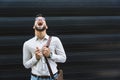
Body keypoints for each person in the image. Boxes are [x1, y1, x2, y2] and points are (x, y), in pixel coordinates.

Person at [23, 13, 67, 80]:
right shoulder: (27, 43)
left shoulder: (56, 40)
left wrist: (50, 55)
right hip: (35, 78)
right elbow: (26, 65)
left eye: (43, 19)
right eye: (37, 20)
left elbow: (63, 59)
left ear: (46, 26)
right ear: (34, 26)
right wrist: (36, 58)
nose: (40, 19)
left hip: (53, 77)